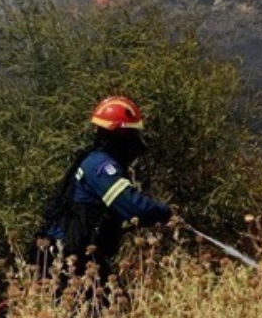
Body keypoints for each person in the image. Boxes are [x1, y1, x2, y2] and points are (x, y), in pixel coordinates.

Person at [30, 95, 173, 301]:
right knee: (103, 310)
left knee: (109, 307)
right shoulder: (101, 167)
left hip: (79, 255)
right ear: (120, 135)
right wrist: (166, 213)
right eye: (132, 133)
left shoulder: (96, 160)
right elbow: (133, 206)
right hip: (66, 258)